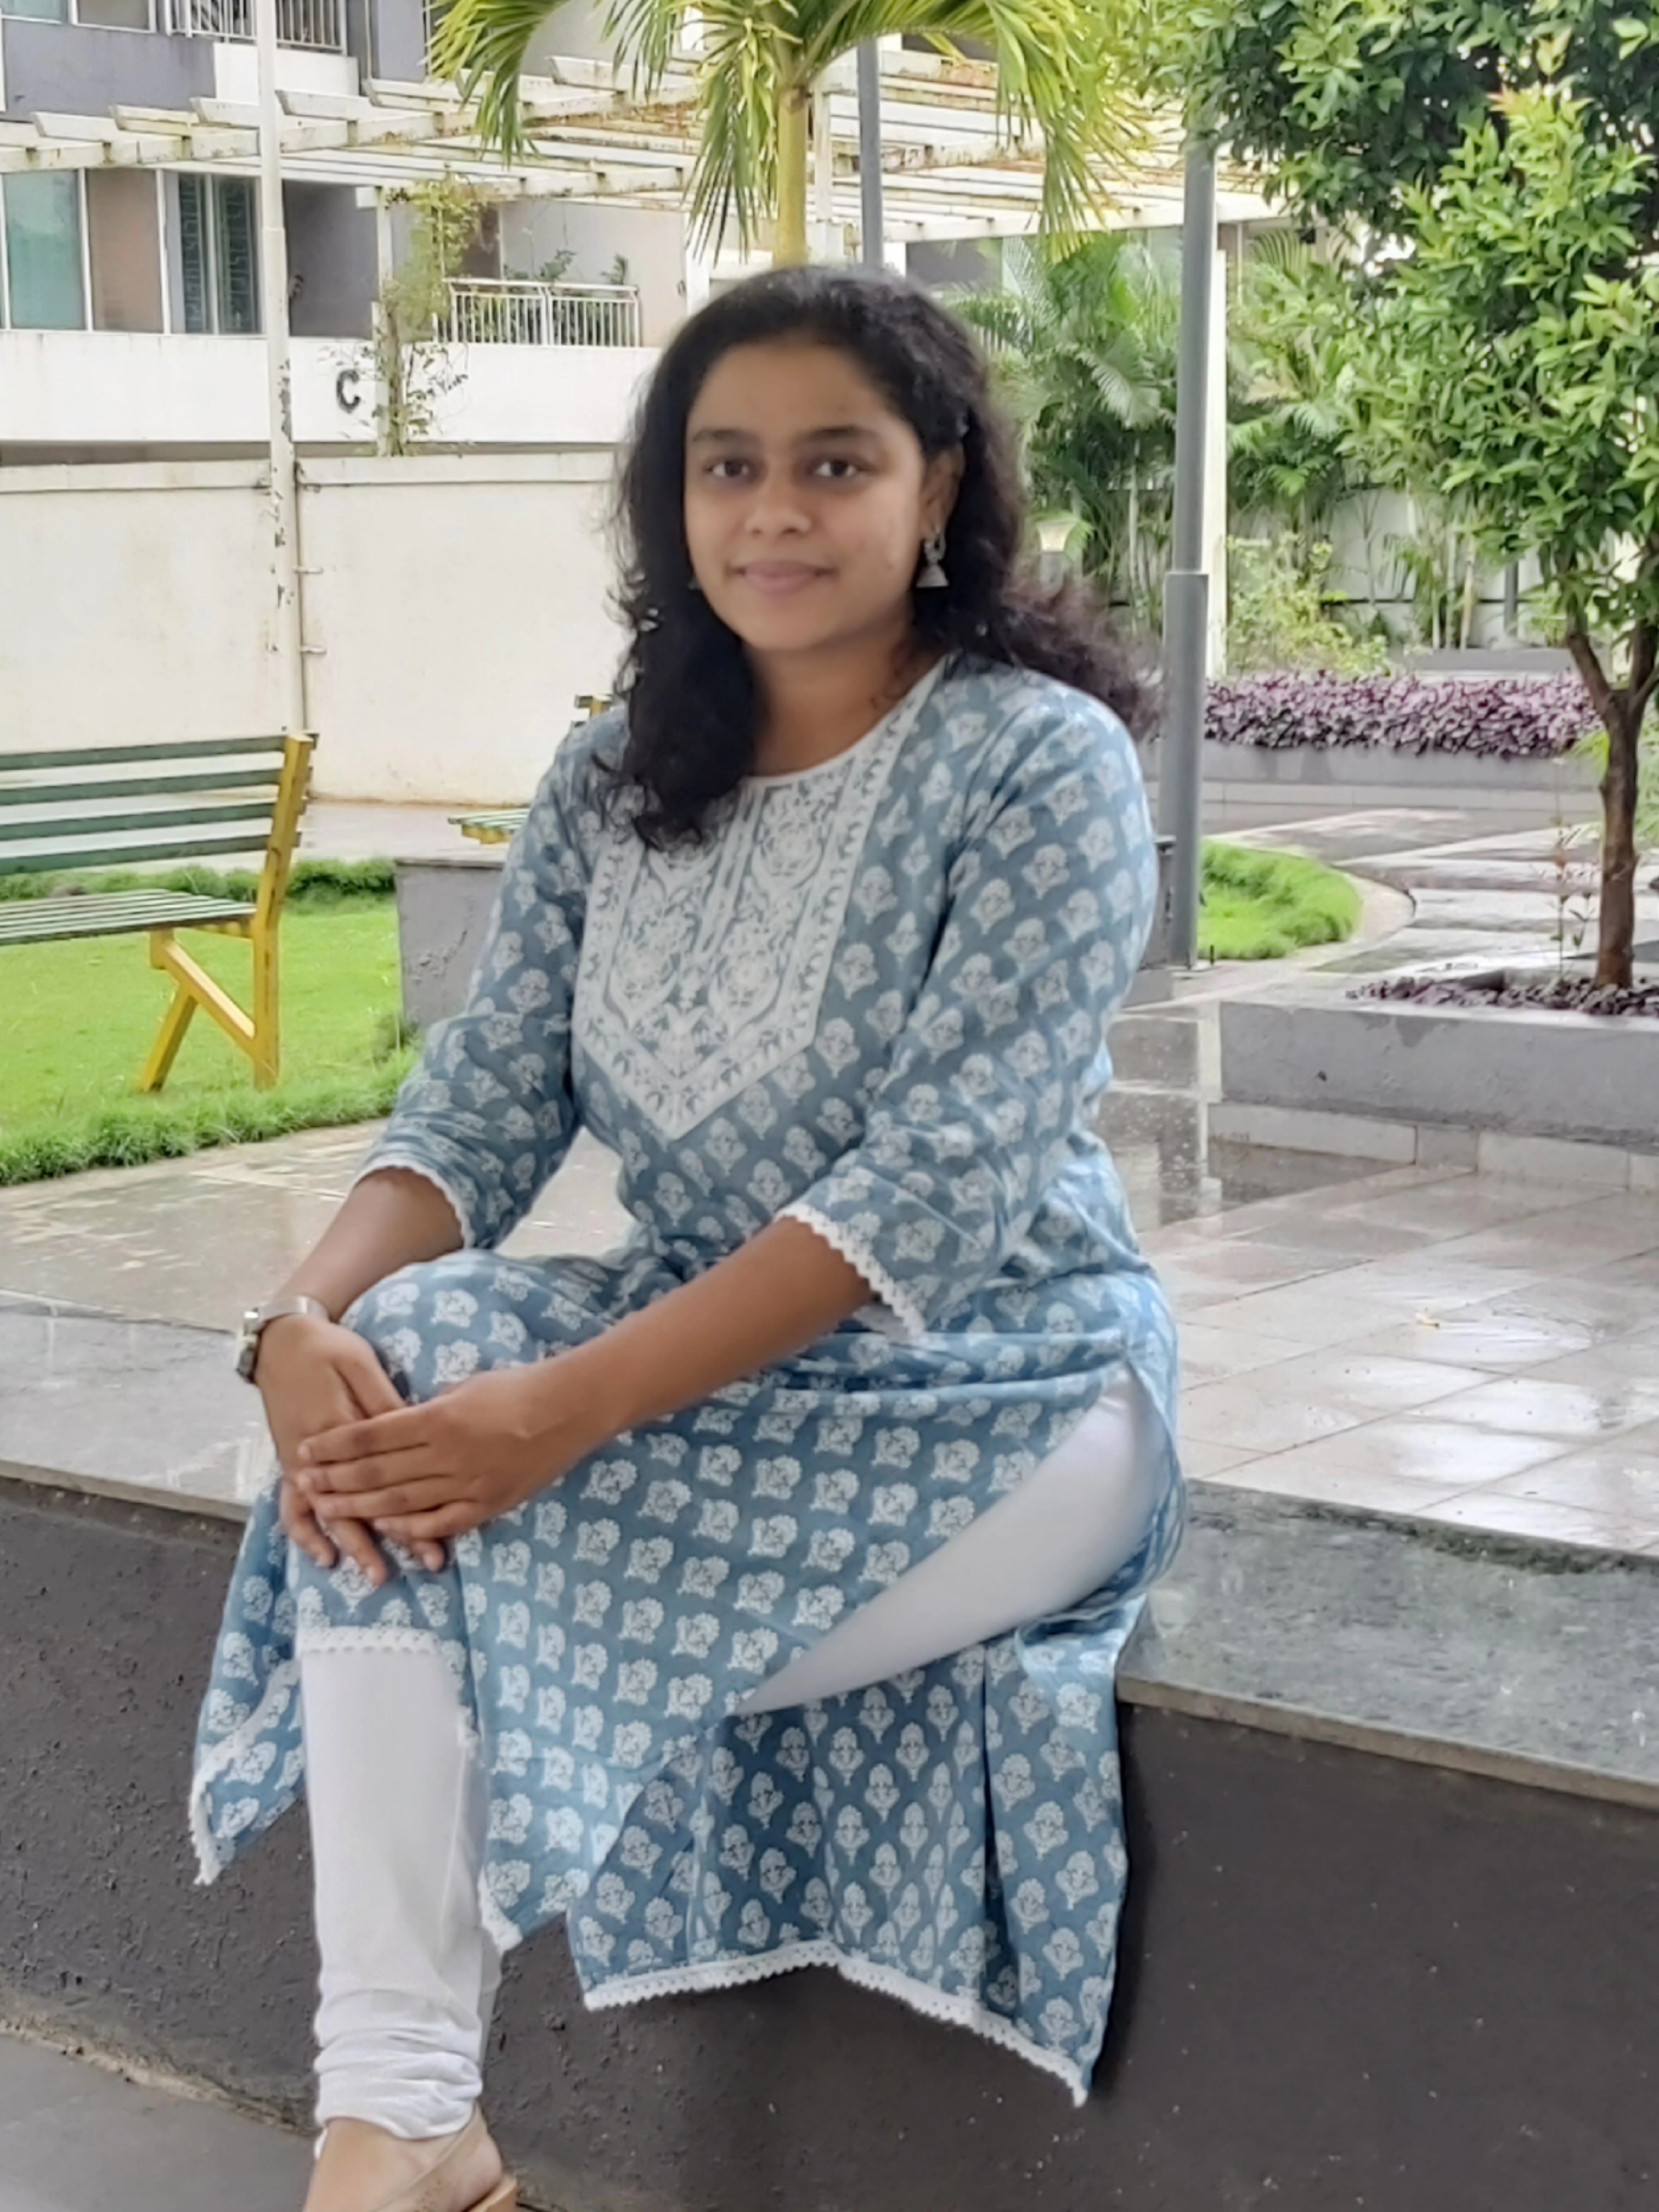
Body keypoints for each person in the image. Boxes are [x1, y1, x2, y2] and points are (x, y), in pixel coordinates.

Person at [191, 265, 1184, 2212]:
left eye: (836, 463)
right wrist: (293, 1327)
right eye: (727, 467)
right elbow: (480, 1109)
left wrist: (553, 1418)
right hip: (715, 1379)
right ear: (674, 502)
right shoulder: (614, 780)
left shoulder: (1037, 762)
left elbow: (937, 1187)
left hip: (1006, 1385)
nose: (773, 512)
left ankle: (410, 2135)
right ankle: (398, 2121)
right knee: (401, 1376)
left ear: (940, 486)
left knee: (446, 1504)